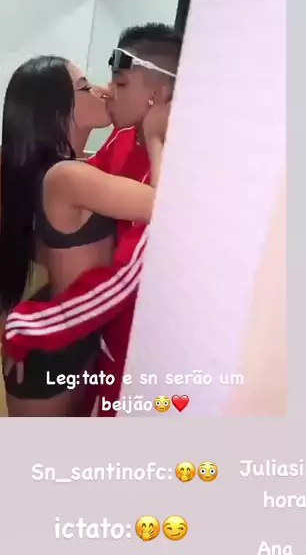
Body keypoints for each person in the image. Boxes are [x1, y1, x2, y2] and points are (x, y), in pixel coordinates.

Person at [2, 23, 182, 416]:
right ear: (58, 110)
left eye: (118, 82)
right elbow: (168, 210)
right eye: (86, 86)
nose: (104, 90)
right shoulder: (71, 174)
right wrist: (30, 325)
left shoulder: (97, 155)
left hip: (84, 333)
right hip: (60, 331)